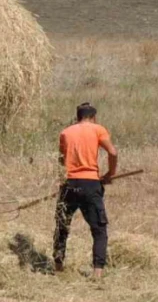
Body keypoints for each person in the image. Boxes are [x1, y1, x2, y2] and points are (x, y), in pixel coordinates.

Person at [53, 102, 118, 278]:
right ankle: (97, 272)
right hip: (90, 184)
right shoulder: (98, 129)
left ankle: (58, 267)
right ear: (93, 117)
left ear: (77, 116)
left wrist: (62, 182)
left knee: (62, 225)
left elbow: (61, 160)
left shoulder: (65, 132)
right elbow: (112, 152)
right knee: (99, 229)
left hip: (69, 184)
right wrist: (110, 174)